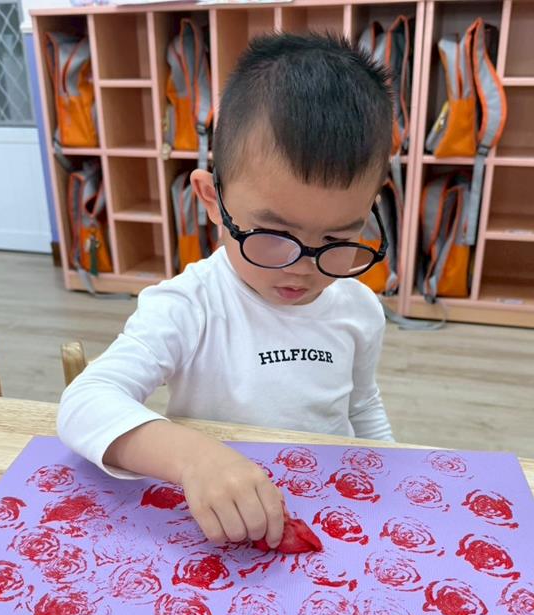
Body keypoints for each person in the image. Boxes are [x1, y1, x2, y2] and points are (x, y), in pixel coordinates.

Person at [58, 32, 395, 551]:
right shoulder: (188, 306)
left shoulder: (359, 307)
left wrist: (390, 475)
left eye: (337, 240)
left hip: (329, 518)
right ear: (212, 200)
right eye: (273, 235)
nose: (302, 267)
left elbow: (363, 405)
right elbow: (85, 402)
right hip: (220, 529)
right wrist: (194, 458)